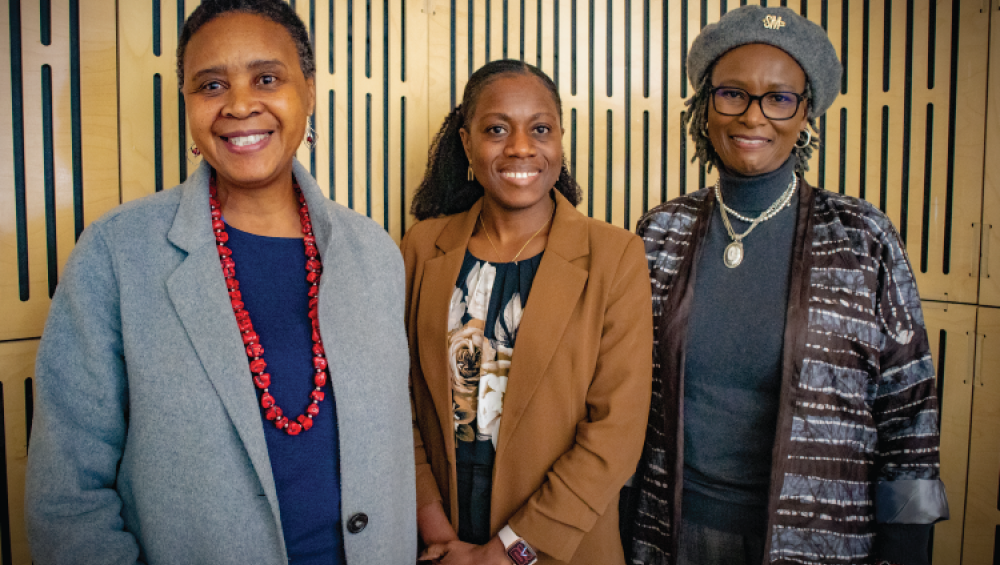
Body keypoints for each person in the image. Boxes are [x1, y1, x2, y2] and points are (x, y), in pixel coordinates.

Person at [24, 1, 415, 563]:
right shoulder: (116, 254)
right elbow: (66, 498)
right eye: (211, 85)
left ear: (308, 90)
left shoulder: (374, 253)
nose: (238, 104)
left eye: (266, 78)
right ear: (187, 104)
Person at [628, 6, 948, 565]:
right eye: (732, 93)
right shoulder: (660, 234)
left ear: (805, 116)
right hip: (668, 532)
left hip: (820, 542)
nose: (753, 116)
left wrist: (908, 550)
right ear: (705, 107)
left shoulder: (862, 238)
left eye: (779, 98)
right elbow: (622, 396)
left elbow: (910, 411)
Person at [402, 59, 653, 565]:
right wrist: (435, 531)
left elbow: (616, 432)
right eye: (497, 130)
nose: (520, 147)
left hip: (562, 546)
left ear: (560, 139)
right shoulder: (422, 247)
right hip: (439, 539)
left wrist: (504, 553)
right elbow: (395, 402)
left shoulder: (615, 255)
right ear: (467, 143)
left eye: (540, 129)